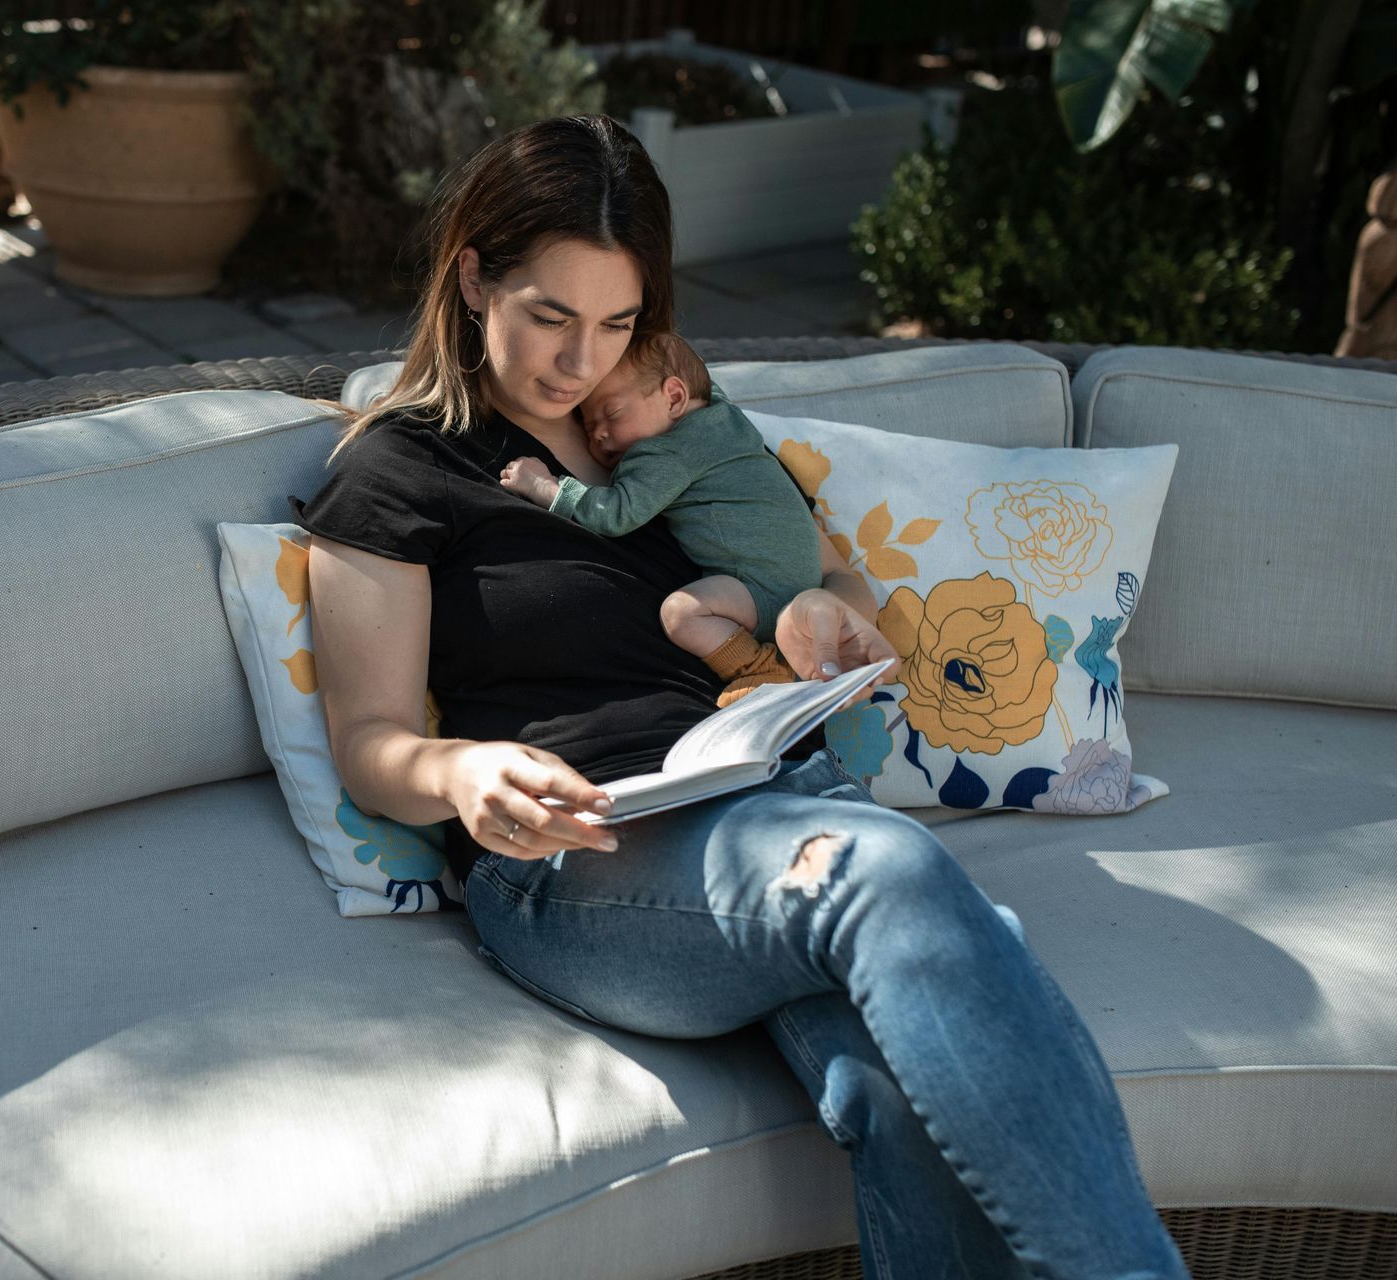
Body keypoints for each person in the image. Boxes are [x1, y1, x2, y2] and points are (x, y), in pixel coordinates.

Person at [294, 114, 1188, 1279]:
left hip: (776, 793)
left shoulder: (673, 420)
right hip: (581, 852)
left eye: (617, 323)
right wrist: (463, 772)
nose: (580, 363)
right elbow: (368, 741)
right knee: (893, 875)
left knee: (901, 1073)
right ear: (473, 280)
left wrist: (828, 610)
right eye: (551, 316)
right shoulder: (400, 467)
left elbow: (828, 576)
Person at [496, 330, 819, 706]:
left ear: (675, 397)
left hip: (762, 589)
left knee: (681, 614)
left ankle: (759, 668)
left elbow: (617, 513)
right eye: (588, 425)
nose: (598, 433)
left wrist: (548, 487)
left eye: (612, 413)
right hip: (803, 582)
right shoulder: (724, 416)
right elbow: (697, 379)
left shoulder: (667, 453)